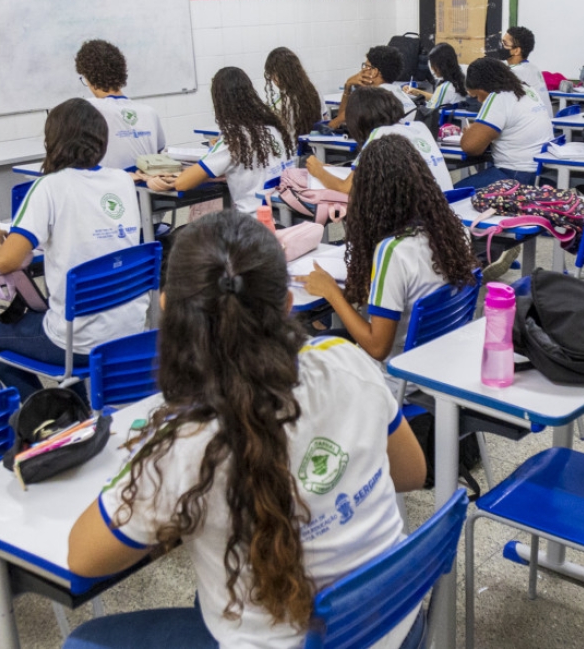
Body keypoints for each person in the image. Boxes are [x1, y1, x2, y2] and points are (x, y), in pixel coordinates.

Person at [63, 210, 428, 649]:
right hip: (395, 625)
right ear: (288, 305)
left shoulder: (185, 446)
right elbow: (411, 472)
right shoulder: (346, 360)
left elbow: (82, 559)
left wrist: (147, 469)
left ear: (167, 310)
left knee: (83, 641)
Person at [0, 98, 147, 401]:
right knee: (47, 312)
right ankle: (74, 406)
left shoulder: (48, 188)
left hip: (77, 343)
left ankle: (50, 419)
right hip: (130, 332)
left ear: (52, 140)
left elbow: (6, 262)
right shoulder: (122, 180)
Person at [295, 135, 477, 391]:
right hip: (442, 365)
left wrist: (331, 292)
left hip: (396, 382)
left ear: (373, 194)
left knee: (310, 350)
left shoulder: (392, 252)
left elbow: (377, 348)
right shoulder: (455, 231)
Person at [146, 67, 295, 215]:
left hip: (252, 222)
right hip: (281, 215)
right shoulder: (273, 128)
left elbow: (181, 183)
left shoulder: (235, 140)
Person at [306, 87, 453, 194]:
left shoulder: (380, 136)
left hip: (419, 222)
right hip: (446, 211)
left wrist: (317, 170)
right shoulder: (418, 128)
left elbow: (346, 188)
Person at [456, 57, 554, 189]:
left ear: (484, 86)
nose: (479, 100)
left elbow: (470, 147)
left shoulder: (498, 96)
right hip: (539, 173)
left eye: (477, 95)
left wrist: (471, 133)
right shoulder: (526, 89)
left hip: (515, 175)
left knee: (450, 194)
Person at [74, 39, 165, 171]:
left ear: (88, 78)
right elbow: (158, 151)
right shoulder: (149, 112)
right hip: (147, 187)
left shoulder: (86, 109)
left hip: (109, 188)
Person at [328, 45, 415, 130]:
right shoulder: (400, 93)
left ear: (374, 72)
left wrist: (348, 85)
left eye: (366, 66)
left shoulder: (371, 97)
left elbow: (336, 124)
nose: (362, 70)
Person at [264, 47, 323, 137]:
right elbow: (324, 118)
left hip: (292, 147)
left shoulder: (287, 100)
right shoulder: (314, 91)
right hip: (314, 145)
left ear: (279, 75)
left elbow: (281, 131)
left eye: (272, 74)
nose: (272, 79)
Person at [493, 26, 550, 103]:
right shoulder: (532, 68)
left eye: (505, 43)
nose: (500, 46)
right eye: (501, 42)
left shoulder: (515, 72)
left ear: (516, 51)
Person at [402, 42, 467, 110]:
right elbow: (438, 98)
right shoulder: (458, 81)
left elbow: (430, 111)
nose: (432, 68)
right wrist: (417, 92)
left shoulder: (445, 88)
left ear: (441, 66)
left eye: (433, 64)